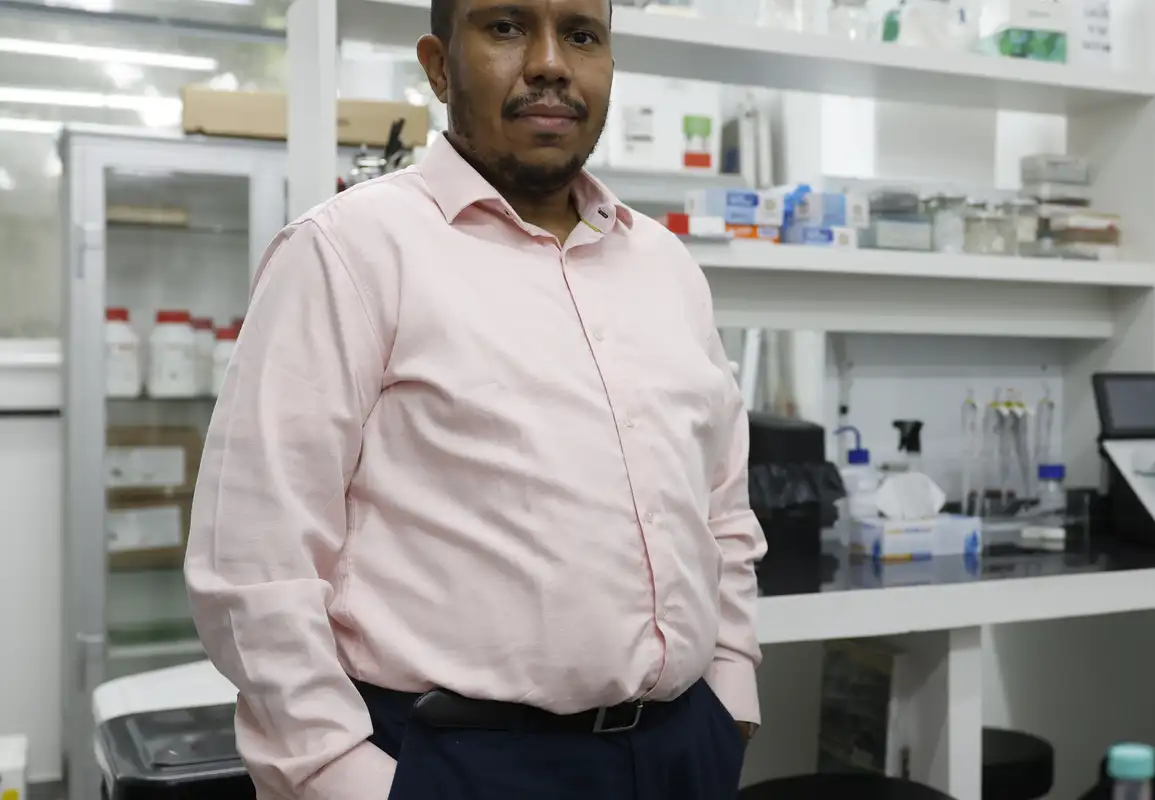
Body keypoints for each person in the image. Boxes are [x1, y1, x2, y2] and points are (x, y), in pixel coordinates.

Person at [183, 0, 766, 796]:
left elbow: (721, 507)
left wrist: (730, 690)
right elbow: (255, 558)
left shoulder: (665, 266)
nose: (551, 63)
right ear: (438, 65)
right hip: (461, 761)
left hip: (682, 750)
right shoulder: (349, 252)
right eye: (506, 27)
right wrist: (336, 771)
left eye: (582, 35)